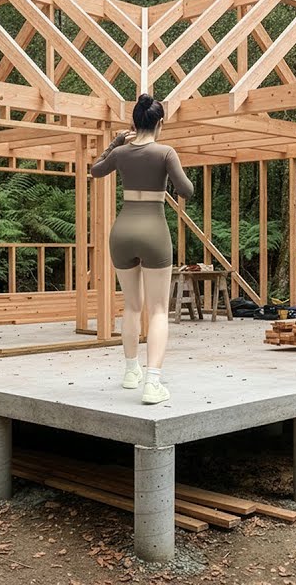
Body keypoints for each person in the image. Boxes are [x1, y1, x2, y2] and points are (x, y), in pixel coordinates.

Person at [91, 94, 193, 404]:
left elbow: (95, 170)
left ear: (135, 123)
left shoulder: (121, 153)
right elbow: (186, 190)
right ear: (160, 122)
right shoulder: (165, 152)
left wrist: (116, 142)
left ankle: (130, 371)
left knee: (132, 306)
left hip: (121, 231)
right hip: (154, 230)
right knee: (159, 309)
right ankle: (153, 383)